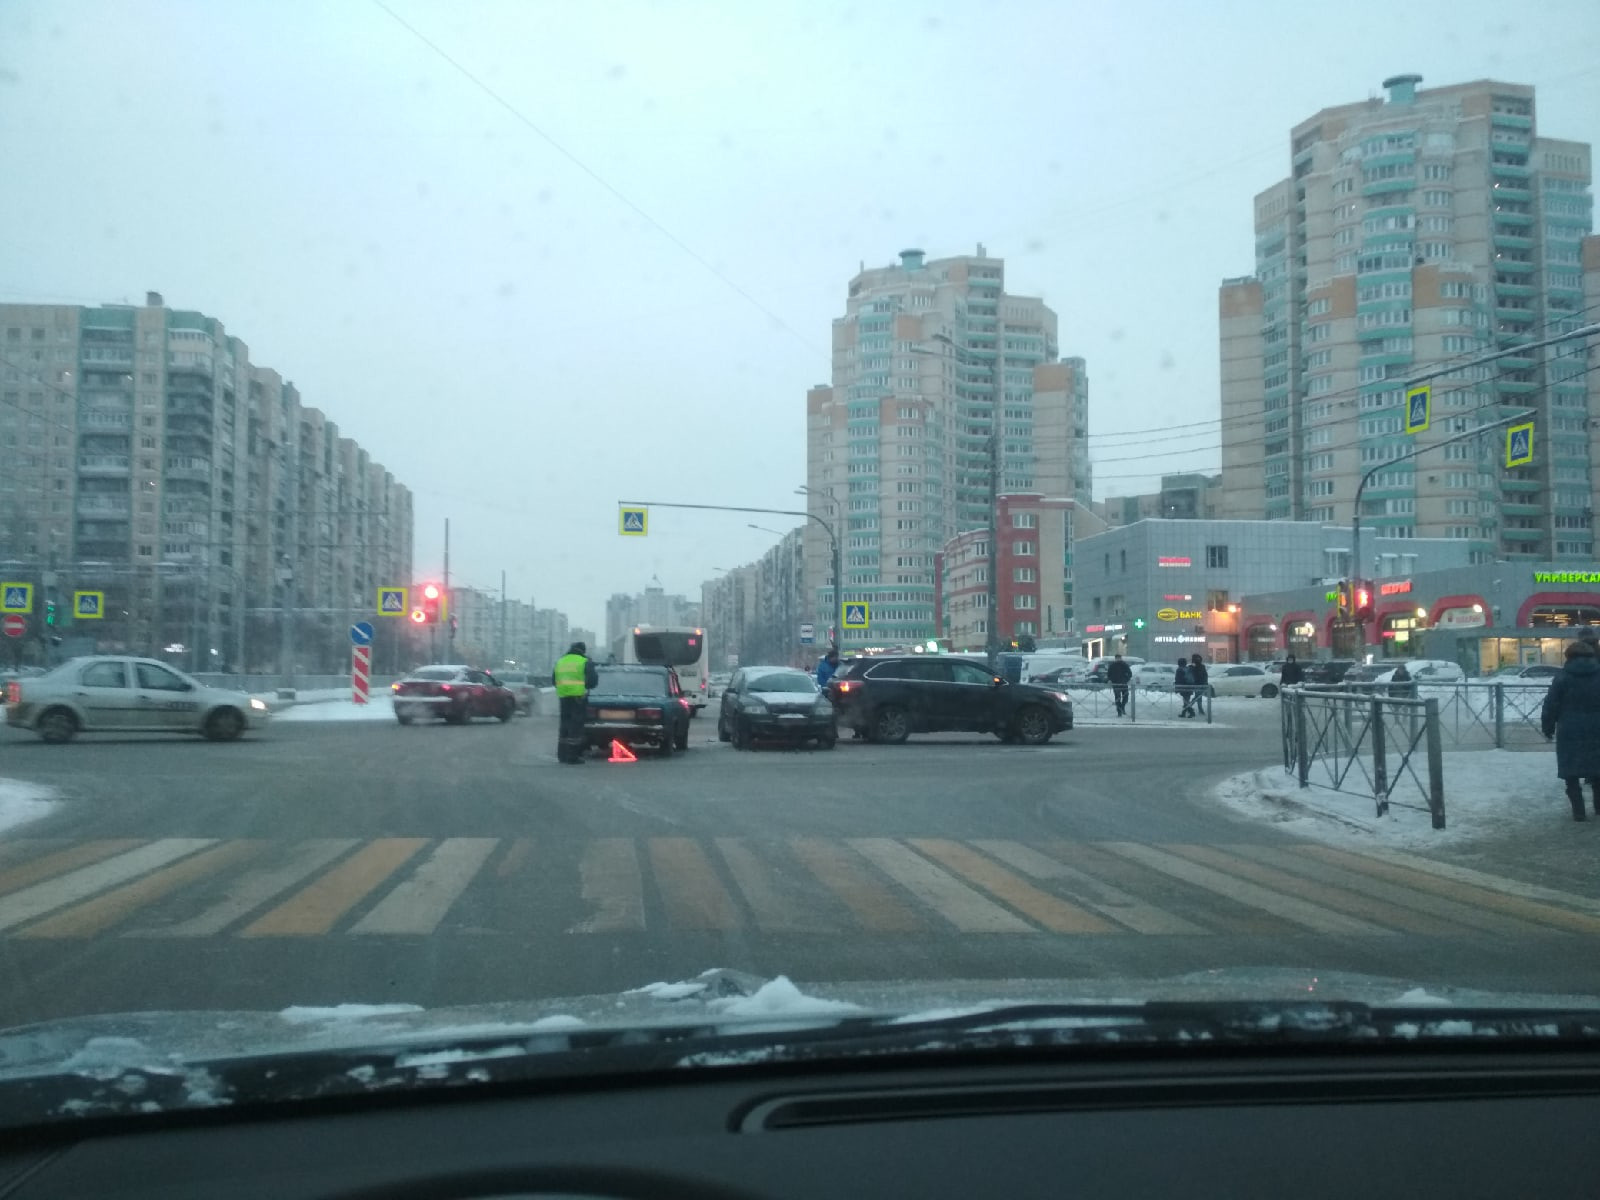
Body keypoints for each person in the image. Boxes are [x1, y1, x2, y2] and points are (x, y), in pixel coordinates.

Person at [1540, 639, 1600, 822]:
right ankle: (1599, 809)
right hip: (1597, 728)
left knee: (1571, 773)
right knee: (1598, 770)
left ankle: (1579, 812)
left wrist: (1548, 726)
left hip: (1570, 730)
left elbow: (1551, 704)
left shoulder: (1562, 677)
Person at [552, 641, 599, 764]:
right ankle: (573, 756)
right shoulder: (584, 662)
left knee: (565, 726)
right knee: (576, 727)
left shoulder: (561, 661)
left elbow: (554, 681)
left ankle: (562, 755)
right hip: (578, 697)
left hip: (563, 696)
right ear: (583, 650)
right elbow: (593, 682)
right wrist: (583, 687)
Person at [1106, 652, 1132, 717]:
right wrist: (1111, 679)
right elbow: (1109, 674)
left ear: (1121, 658)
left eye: (1119, 658)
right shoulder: (1112, 665)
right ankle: (1119, 712)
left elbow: (1130, 673)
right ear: (1115, 659)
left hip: (1123, 683)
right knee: (1117, 698)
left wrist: (1126, 679)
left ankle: (1122, 707)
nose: (1118, 659)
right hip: (1116, 684)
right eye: (1117, 658)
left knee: (1125, 697)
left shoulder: (1124, 665)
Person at [1188, 654, 1210, 718]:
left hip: (1200, 684)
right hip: (1198, 684)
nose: (1198, 660)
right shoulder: (1193, 667)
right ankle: (1190, 706)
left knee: (1198, 697)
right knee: (1198, 697)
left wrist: (1205, 682)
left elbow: (1205, 675)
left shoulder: (1200, 666)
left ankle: (1190, 706)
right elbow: (1202, 675)